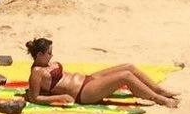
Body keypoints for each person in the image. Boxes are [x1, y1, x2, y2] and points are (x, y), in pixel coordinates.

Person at [23, 37, 178, 109]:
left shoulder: (46, 63)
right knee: (125, 76)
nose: (52, 55)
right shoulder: (36, 72)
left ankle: (159, 90)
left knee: (128, 67)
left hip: (88, 79)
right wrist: (61, 97)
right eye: (49, 53)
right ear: (39, 55)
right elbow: (34, 97)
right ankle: (159, 99)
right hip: (83, 93)